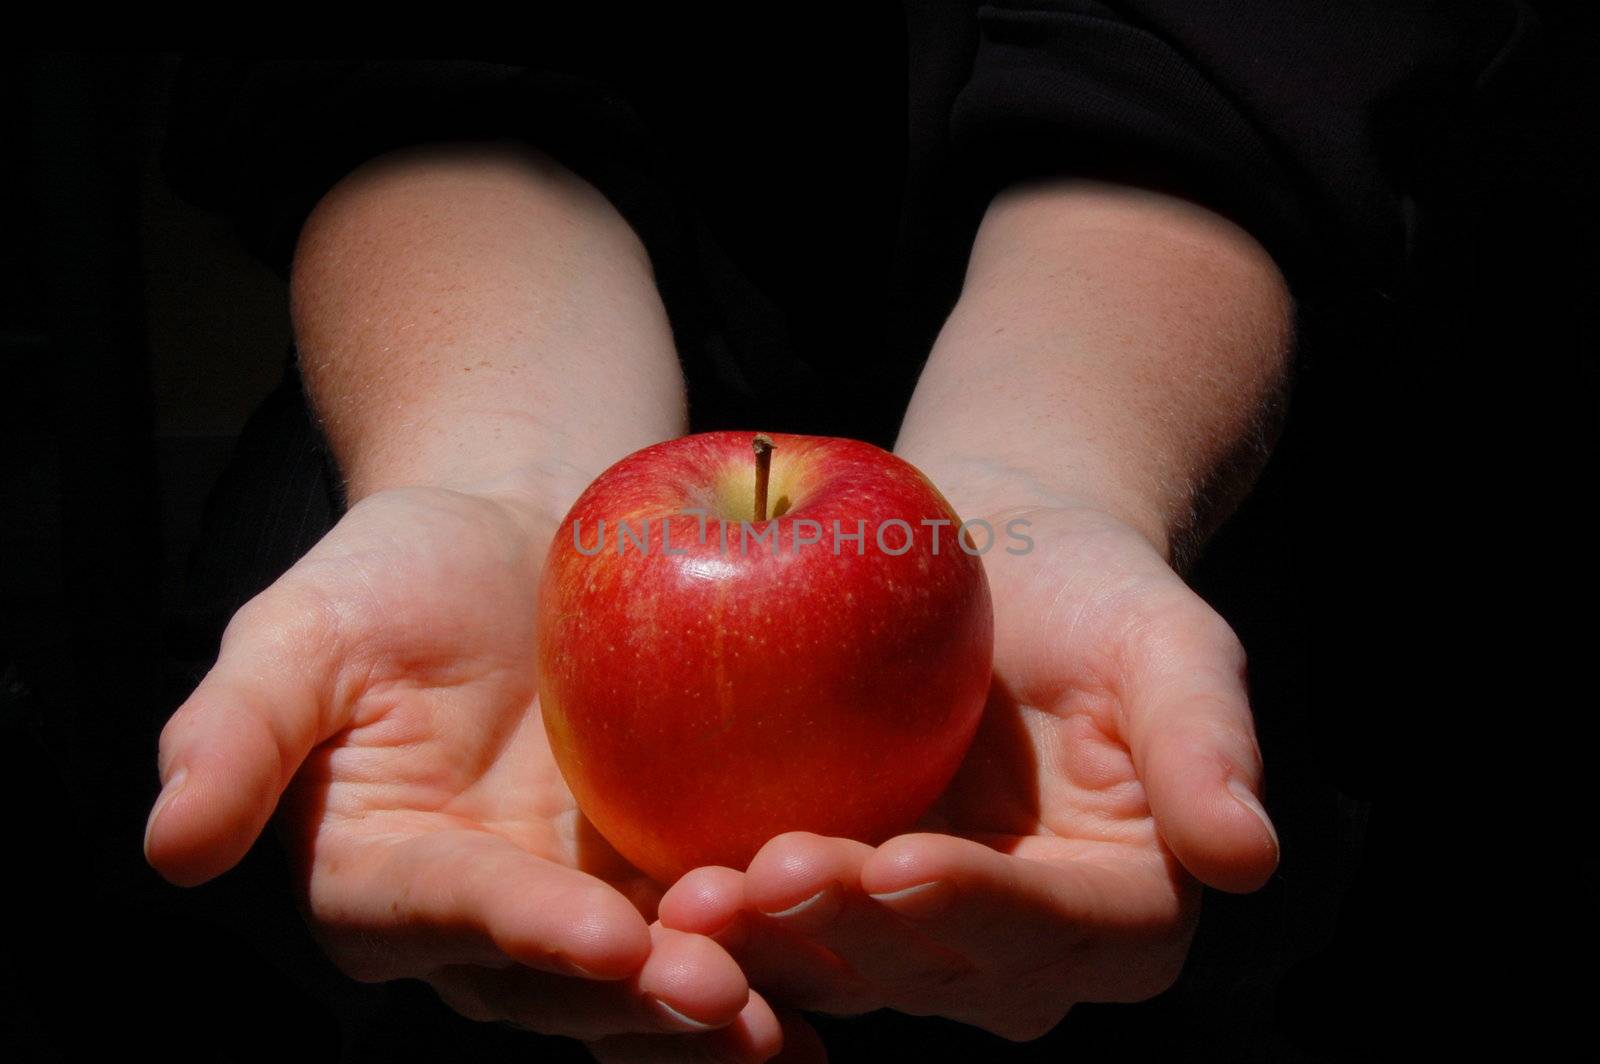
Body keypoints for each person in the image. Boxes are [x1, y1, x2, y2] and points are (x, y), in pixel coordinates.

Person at [141, 6, 1532, 1060]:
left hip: (1137, 345)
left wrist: (1064, 477)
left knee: (1283, 770)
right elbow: (399, 61)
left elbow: (1212, 71)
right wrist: (486, 469)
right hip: (505, 316)